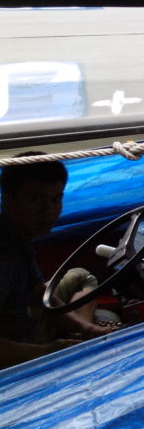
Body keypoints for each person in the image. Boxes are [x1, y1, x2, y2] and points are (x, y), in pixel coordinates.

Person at [0, 155, 116, 369]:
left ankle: (79, 336)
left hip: (23, 320)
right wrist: (48, 352)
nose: (50, 210)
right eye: (37, 200)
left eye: (56, 199)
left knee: (81, 276)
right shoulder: (4, 257)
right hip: (15, 350)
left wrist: (87, 329)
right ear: (8, 200)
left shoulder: (15, 237)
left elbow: (38, 294)